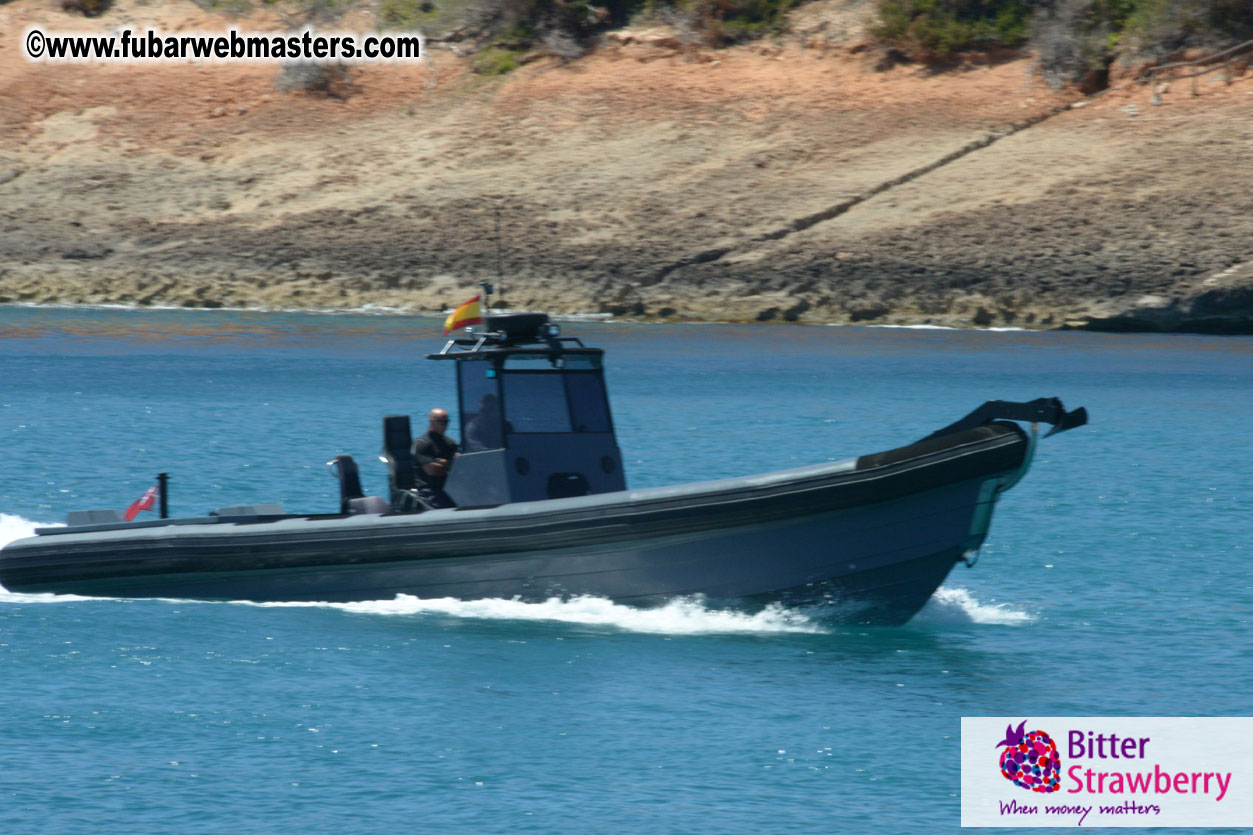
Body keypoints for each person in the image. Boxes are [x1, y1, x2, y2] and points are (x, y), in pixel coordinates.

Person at [411, 408, 458, 509]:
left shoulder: (450, 443)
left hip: (450, 488)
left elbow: (460, 464)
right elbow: (432, 470)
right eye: (442, 422)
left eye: (447, 422)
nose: (445, 425)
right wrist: (449, 466)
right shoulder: (422, 444)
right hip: (430, 491)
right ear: (431, 421)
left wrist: (443, 463)